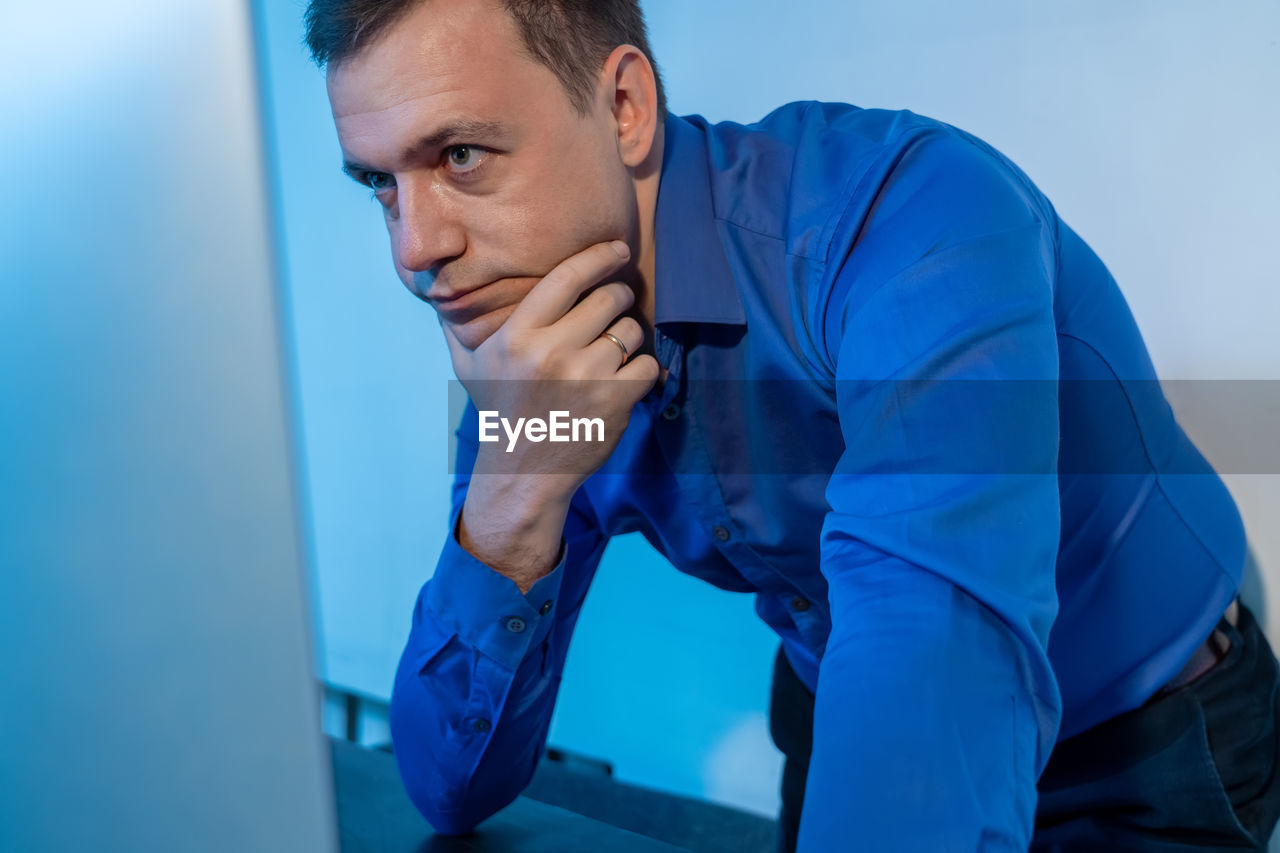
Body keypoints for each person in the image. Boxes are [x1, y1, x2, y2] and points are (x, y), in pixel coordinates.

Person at [307, 0, 1280, 848]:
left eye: (460, 155)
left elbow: (928, 638)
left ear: (622, 107)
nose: (416, 248)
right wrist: (512, 494)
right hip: (845, 701)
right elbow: (446, 787)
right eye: (379, 184)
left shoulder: (909, 217)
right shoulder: (528, 360)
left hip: (1141, 730)